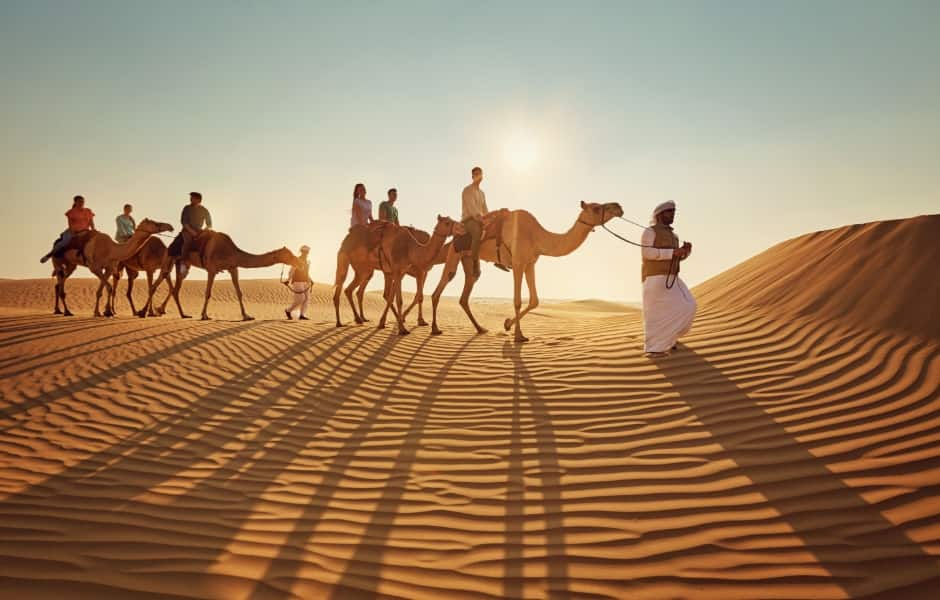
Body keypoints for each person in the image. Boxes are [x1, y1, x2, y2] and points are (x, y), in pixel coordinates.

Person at [640, 200, 696, 358]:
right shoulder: (650, 232)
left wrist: (685, 252)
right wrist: (673, 253)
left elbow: (676, 258)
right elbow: (647, 254)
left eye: (674, 212)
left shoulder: (674, 235)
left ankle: (669, 340)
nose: (672, 214)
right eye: (669, 212)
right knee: (656, 314)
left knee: (689, 306)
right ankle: (654, 349)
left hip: (672, 277)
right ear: (660, 214)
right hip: (654, 277)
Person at [40, 195, 96, 263]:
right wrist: (74, 232)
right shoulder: (71, 212)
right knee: (64, 242)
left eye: (83, 202)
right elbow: (70, 224)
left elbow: (91, 222)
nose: (82, 203)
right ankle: (49, 255)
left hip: (86, 231)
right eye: (80, 202)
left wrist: (93, 230)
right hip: (73, 231)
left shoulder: (88, 211)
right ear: (75, 202)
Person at [461, 166, 489, 278]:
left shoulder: (482, 193)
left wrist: (489, 218)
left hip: (480, 219)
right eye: (476, 174)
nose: (479, 176)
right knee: (477, 232)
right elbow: (472, 210)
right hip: (468, 221)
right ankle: (475, 265)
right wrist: (481, 219)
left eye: (480, 174)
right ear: (472, 176)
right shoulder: (467, 190)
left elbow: (485, 210)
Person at [178, 191, 212, 276]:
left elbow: (209, 224)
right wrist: (191, 232)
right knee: (187, 243)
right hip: (187, 231)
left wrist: (205, 231)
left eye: (192, 198)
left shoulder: (204, 210)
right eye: (191, 198)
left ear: (198, 200)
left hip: (199, 231)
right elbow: (184, 222)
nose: (190, 199)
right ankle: (183, 267)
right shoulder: (187, 208)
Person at [284, 245, 312, 320]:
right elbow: (292, 271)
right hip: (297, 281)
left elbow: (307, 272)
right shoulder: (297, 260)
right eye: (304, 251)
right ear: (301, 252)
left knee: (307, 298)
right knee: (300, 298)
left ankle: (302, 315)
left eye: (307, 252)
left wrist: (310, 279)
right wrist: (288, 280)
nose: (305, 253)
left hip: (306, 281)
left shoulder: (308, 261)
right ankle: (288, 310)